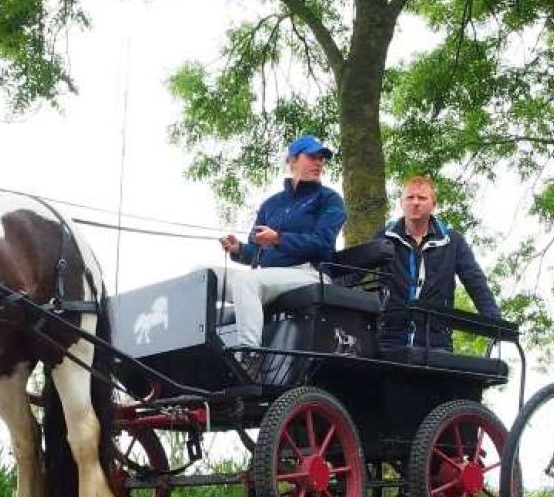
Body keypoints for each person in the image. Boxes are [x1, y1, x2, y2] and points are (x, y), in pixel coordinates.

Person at [214, 134, 347, 352]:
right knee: (203, 274)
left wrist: (278, 238)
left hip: (310, 273)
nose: (319, 162)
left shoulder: (329, 199)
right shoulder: (270, 204)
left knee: (247, 282)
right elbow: (255, 252)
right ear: (292, 160)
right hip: (268, 275)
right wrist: (238, 249)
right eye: (312, 156)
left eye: (322, 158)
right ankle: (197, 351)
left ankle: (250, 356)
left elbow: (323, 243)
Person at [372, 175, 501, 352]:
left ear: (433, 204)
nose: (415, 202)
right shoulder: (384, 237)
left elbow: (475, 281)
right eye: (410, 197)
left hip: (436, 341)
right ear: (401, 203)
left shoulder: (452, 241)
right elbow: (355, 268)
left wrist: (494, 320)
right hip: (389, 338)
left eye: (422, 198)